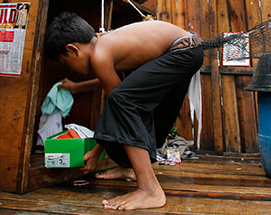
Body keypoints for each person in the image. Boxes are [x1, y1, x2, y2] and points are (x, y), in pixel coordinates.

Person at [45, 12, 203, 211]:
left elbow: (118, 105)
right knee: (135, 105)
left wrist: (96, 151)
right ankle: (131, 168)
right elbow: (116, 87)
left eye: (65, 62)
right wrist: (77, 88)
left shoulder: (100, 56)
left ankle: (149, 190)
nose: (70, 69)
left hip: (181, 51)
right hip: (188, 48)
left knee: (123, 103)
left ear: (72, 49)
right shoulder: (104, 45)